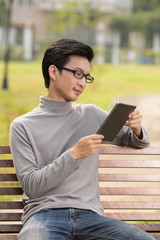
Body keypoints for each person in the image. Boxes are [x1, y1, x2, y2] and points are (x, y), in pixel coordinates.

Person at [10, 39, 154, 240]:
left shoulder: (91, 115)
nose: (82, 83)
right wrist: (73, 155)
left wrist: (136, 127)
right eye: (77, 74)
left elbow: (136, 140)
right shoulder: (23, 126)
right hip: (44, 217)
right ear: (53, 72)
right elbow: (32, 187)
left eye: (86, 77)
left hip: (91, 218)